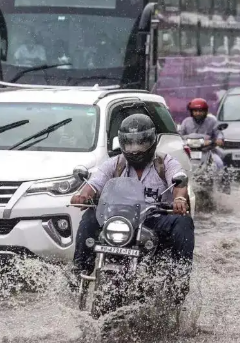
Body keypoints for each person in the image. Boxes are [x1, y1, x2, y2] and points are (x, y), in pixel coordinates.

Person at [71, 114, 195, 294]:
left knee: (183, 222)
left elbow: (179, 182)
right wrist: (82, 195)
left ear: (151, 141)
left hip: (154, 219)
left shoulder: (165, 163)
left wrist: (179, 199)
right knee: (90, 217)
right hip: (120, 219)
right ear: (122, 143)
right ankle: (79, 271)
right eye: (130, 144)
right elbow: (94, 184)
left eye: (140, 143)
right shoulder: (114, 164)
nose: (135, 150)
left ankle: (179, 278)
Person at [179, 98, 225, 170]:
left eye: (201, 111)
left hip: (208, 150)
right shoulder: (186, 122)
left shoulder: (212, 121)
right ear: (191, 112)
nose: (198, 113)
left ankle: (220, 180)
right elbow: (179, 134)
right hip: (188, 151)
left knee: (219, 163)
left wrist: (219, 139)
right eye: (195, 111)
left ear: (205, 111)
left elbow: (218, 133)